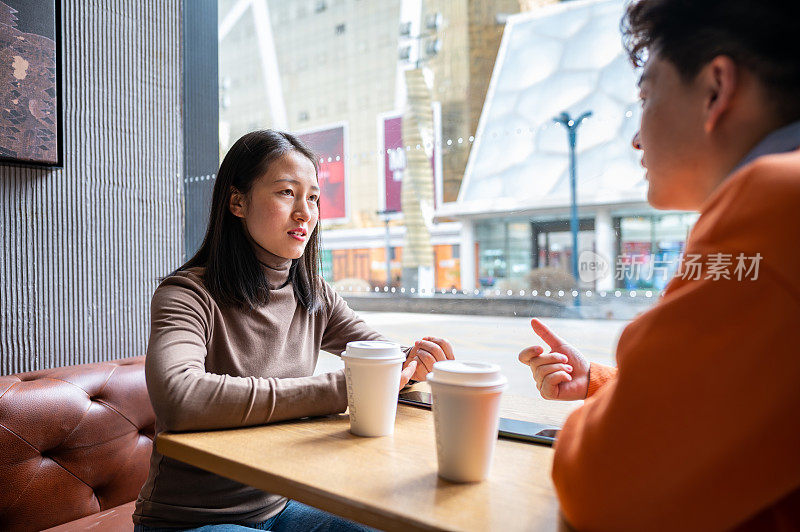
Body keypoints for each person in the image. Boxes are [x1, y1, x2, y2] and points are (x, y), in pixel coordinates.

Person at [518, 0, 800, 529]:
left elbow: (603, 483)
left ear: (716, 89)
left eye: (646, 95)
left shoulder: (773, 202)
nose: (636, 137)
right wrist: (607, 385)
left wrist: (614, 417)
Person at [133, 130, 454, 531]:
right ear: (237, 202)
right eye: (287, 192)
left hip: (280, 506)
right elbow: (180, 398)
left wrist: (413, 358)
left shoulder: (313, 293)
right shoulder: (186, 294)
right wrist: (345, 389)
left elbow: (380, 354)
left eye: (314, 197)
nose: (305, 212)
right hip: (188, 520)